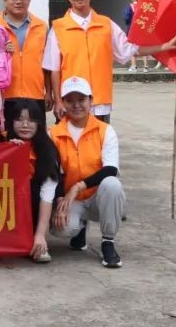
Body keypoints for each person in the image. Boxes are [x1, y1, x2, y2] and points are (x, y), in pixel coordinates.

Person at [43, 0, 176, 122]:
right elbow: (54, 69)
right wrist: (58, 100)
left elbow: (131, 49)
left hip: (100, 102)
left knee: (101, 137)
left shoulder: (106, 24)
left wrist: (165, 46)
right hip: (71, 102)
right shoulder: (58, 28)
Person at [50, 76, 126, 268]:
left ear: (91, 100)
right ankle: (80, 227)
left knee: (112, 184)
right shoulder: (54, 133)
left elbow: (110, 169)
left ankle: (108, 241)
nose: (76, 105)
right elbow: (53, 171)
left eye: (81, 99)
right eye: (70, 100)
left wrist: (78, 186)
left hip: (98, 197)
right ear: (63, 103)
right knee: (61, 229)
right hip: (71, 199)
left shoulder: (105, 130)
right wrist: (59, 198)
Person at [5, 97, 59, 264]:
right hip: (7, 206)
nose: (25, 125)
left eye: (31, 120)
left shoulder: (48, 150)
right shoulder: (2, 142)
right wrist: (8, 151)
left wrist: (40, 235)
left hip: (35, 204)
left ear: (39, 123)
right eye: (19, 119)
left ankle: (38, 238)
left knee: (35, 190)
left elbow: (47, 195)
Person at [0, 0, 50, 116]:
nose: (18, 1)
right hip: (4, 96)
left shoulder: (41, 26)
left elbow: (48, 64)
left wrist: (49, 92)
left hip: (35, 94)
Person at [124, 0, 152, 73]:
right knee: (144, 47)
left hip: (132, 30)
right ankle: (146, 67)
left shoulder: (130, 7)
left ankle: (134, 66)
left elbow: (126, 17)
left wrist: (128, 23)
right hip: (142, 30)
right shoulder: (144, 6)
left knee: (132, 48)